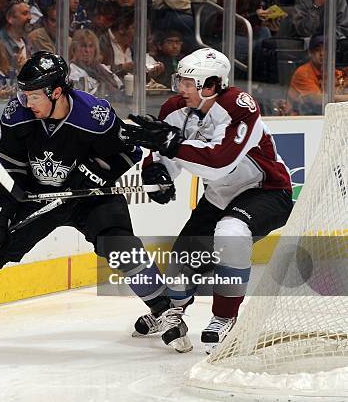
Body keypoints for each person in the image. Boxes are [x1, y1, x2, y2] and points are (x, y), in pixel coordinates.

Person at [0, 52, 181, 351]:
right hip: (37, 196)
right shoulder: (17, 115)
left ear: (57, 92)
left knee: (119, 245)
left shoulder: (94, 115)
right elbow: (7, 169)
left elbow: (127, 152)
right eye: (25, 95)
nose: (27, 102)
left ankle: (164, 310)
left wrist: (96, 174)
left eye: (34, 96)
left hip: (86, 196)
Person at [121, 48, 293, 353]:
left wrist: (173, 145)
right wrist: (158, 174)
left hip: (266, 191)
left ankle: (224, 317)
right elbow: (163, 154)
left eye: (190, 83)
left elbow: (218, 162)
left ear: (212, 84)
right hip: (218, 196)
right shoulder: (175, 108)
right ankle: (174, 311)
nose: (181, 89)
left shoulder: (240, 107)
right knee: (178, 270)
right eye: (180, 81)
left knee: (230, 233)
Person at [288, 35, 348, 115]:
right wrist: (339, 97)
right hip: (298, 119)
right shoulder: (303, 72)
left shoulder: (333, 72)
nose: (322, 54)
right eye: (317, 50)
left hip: (321, 115)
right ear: (310, 53)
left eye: (325, 50)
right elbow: (317, 100)